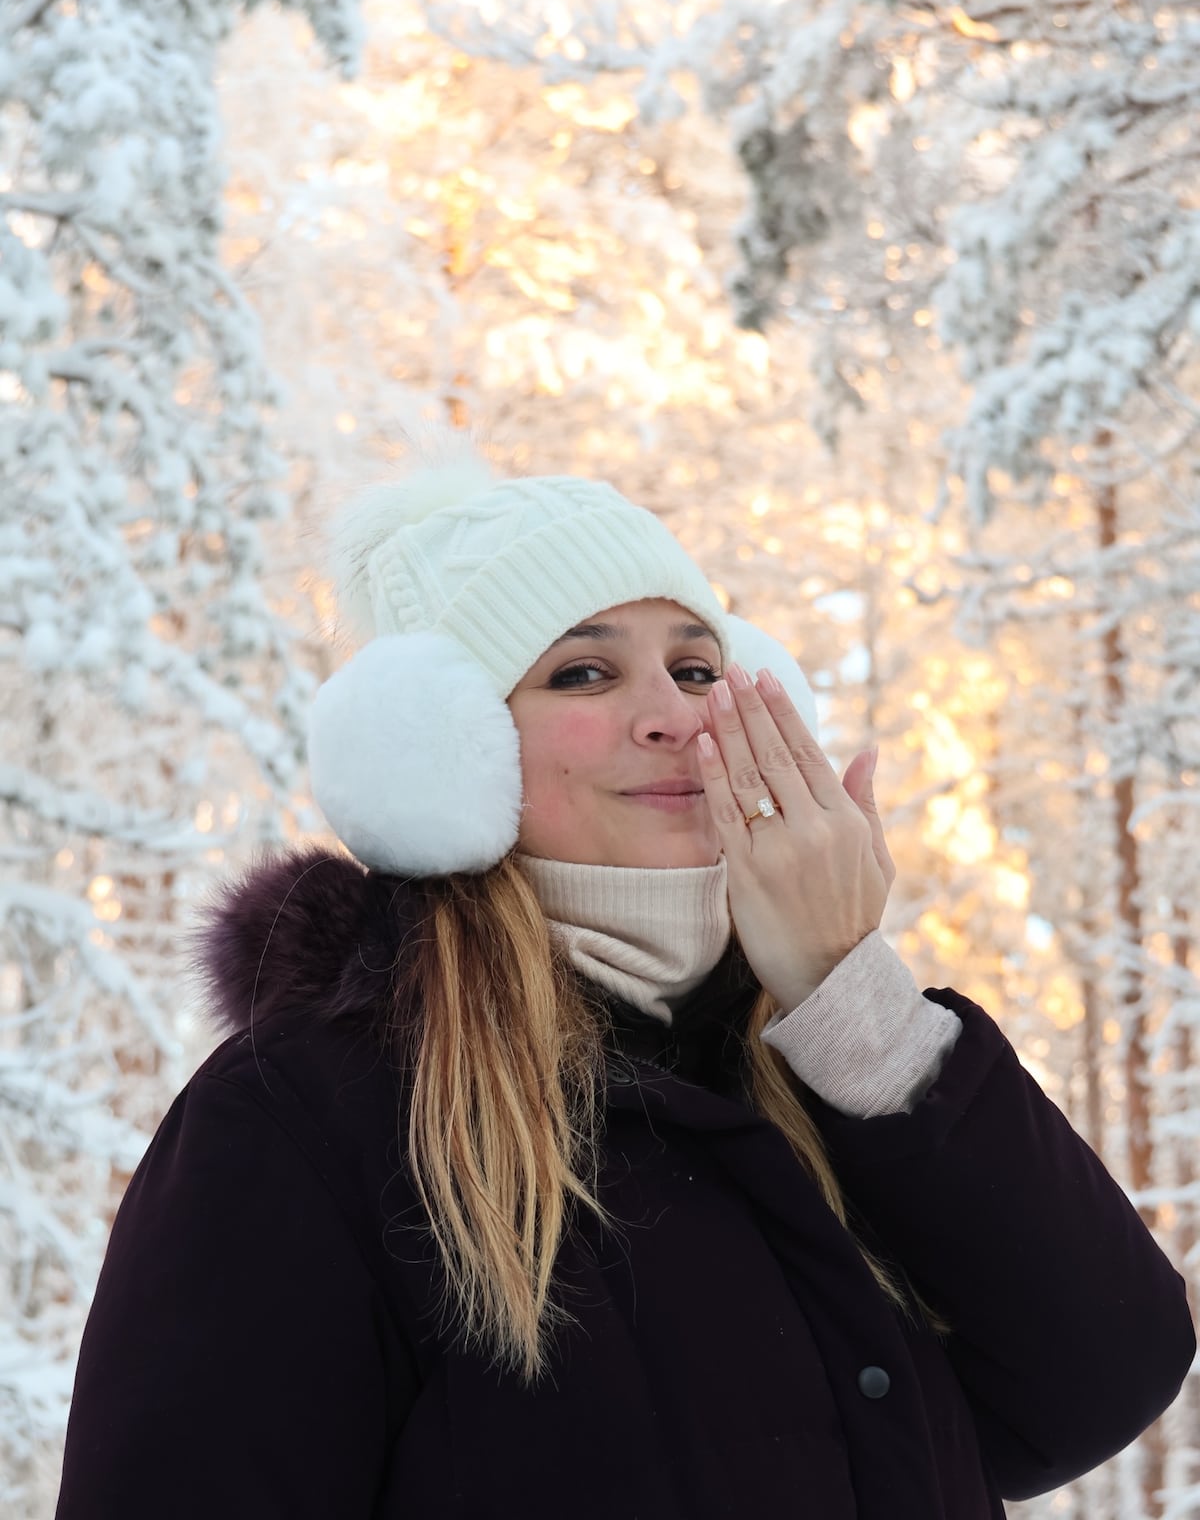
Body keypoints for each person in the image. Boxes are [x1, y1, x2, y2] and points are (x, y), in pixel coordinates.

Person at [55, 438, 1194, 1520]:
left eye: (698, 666)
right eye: (585, 670)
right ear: (448, 749)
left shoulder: (826, 1073)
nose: (675, 716)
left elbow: (1099, 1379)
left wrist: (854, 999)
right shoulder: (300, 1119)